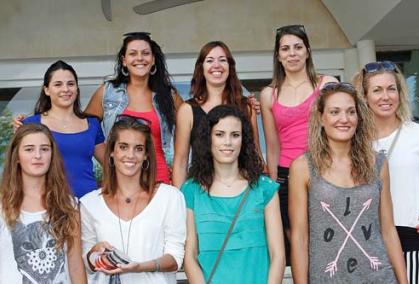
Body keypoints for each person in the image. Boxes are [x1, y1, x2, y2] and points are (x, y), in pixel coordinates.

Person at [289, 82, 407, 283]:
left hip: (379, 277)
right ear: (321, 118)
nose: (344, 119)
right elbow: (300, 238)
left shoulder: (377, 163)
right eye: (334, 112)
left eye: (351, 112)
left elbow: (387, 229)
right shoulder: (303, 167)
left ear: (358, 118)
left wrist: (403, 281)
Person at [260, 24, 338, 259]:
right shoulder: (268, 95)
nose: (292, 53)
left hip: (324, 171)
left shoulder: (326, 84)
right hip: (285, 176)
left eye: (297, 47)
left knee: (330, 238)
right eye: (285, 49)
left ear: (308, 51)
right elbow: (272, 146)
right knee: (297, 242)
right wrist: (272, 189)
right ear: (278, 55)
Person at [182, 105, 285, 283]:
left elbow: (278, 256)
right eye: (219, 134)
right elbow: (190, 255)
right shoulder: (191, 190)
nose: (228, 142)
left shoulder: (265, 189)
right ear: (208, 139)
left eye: (235, 135)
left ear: (243, 140)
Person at [80, 115, 186, 283]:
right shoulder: (89, 203)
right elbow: (86, 263)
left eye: (138, 148)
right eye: (123, 147)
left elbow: (175, 258)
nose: (130, 155)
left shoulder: (170, 197)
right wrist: (94, 253)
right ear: (112, 152)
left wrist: (140, 266)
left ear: (145, 155)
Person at [353, 61, 419, 283]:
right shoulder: (355, 143)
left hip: (414, 241)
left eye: (391, 89)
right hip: (368, 245)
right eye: (377, 90)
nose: (386, 96)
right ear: (364, 97)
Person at [85, 32, 183, 184]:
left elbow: (190, 132)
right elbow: (87, 131)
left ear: (153, 60)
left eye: (145, 53)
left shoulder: (169, 96)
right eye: (133, 53)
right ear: (124, 61)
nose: (140, 58)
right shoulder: (108, 92)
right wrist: (109, 162)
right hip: (119, 183)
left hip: (160, 182)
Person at [0, 124, 86, 283]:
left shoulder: (68, 204)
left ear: (52, 155)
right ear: (17, 156)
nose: (37, 155)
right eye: (29, 149)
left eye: (45, 149)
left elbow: (75, 265)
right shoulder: (2, 205)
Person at [172, 41, 261, 188]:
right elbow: (180, 162)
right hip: (201, 191)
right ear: (201, 68)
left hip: (242, 191)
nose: (217, 65)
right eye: (210, 60)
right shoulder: (187, 110)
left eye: (222, 60)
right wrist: (180, 201)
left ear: (230, 67)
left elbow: (255, 153)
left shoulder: (246, 107)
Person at [14, 60, 105, 198]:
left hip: (88, 205)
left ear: (76, 88)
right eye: (58, 84)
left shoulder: (92, 124)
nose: (66, 89)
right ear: (47, 90)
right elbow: (18, 168)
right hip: (48, 205)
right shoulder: (31, 124)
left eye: (71, 84)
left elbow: (111, 165)